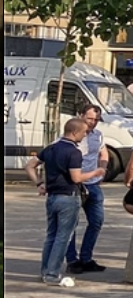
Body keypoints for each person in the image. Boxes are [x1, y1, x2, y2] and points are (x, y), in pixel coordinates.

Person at [28, 117, 104, 288]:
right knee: (63, 237)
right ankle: (53, 274)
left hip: (52, 197)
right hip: (68, 197)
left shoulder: (51, 148)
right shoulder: (74, 152)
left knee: (51, 235)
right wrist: (95, 173)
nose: (85, 136)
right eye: (84, 132)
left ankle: (45, 270)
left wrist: (40, 183)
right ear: (75, 132)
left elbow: (30, 165)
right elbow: (76, 177)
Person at [65, 105, 109, 274]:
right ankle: (72, 259)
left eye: (96, 120)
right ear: (80, 115)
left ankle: (86, 257)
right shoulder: (73, 135)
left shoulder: (97, 136)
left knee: (96, 221)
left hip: (93, 184)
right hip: (75, 184)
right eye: (90, 118)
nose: (93, 123)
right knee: (71, 224)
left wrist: (103, 169)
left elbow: (103, 153)